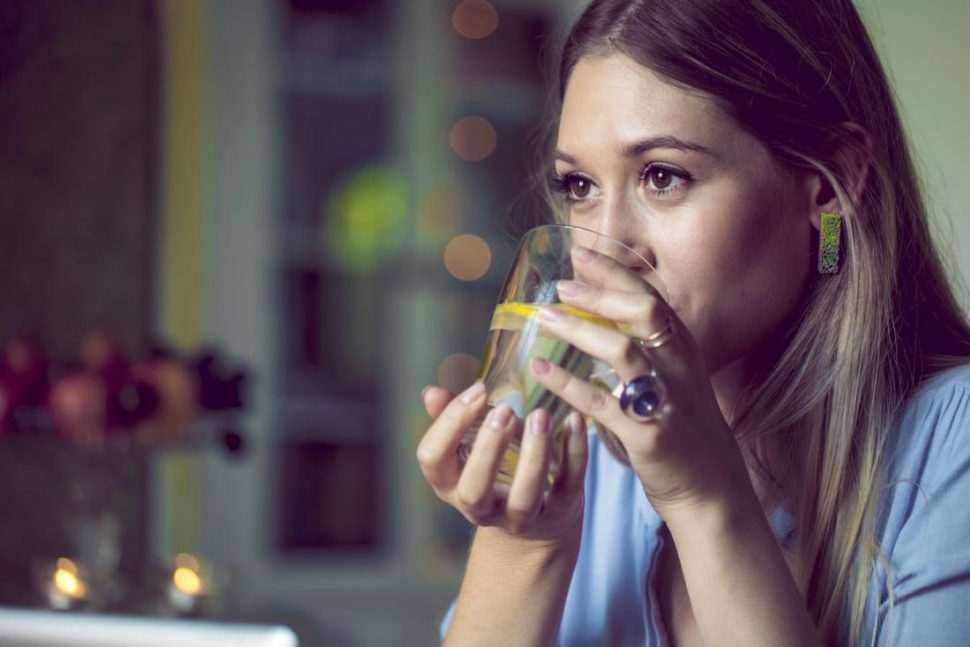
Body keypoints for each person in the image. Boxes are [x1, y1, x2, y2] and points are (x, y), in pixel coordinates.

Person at [416, 0, 970, 644]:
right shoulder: (582, 451)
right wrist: (524, 543)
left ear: (831, 184)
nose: (600, 248)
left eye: (662, 176)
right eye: (580, 187)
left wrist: (703, 499)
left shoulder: (950, 449)